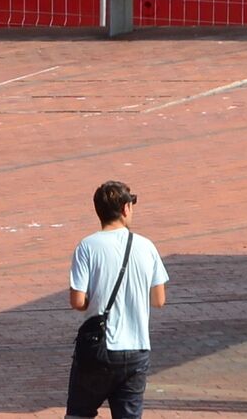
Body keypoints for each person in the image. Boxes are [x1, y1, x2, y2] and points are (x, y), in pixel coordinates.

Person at [64, 177, 169, 419]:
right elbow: (159, 299)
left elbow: (77, 302)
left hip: (98, 348)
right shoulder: (146, 246)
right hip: (136, 348)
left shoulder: (87, 247)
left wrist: (97, 297)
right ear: (125, 209)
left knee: (79, 412)